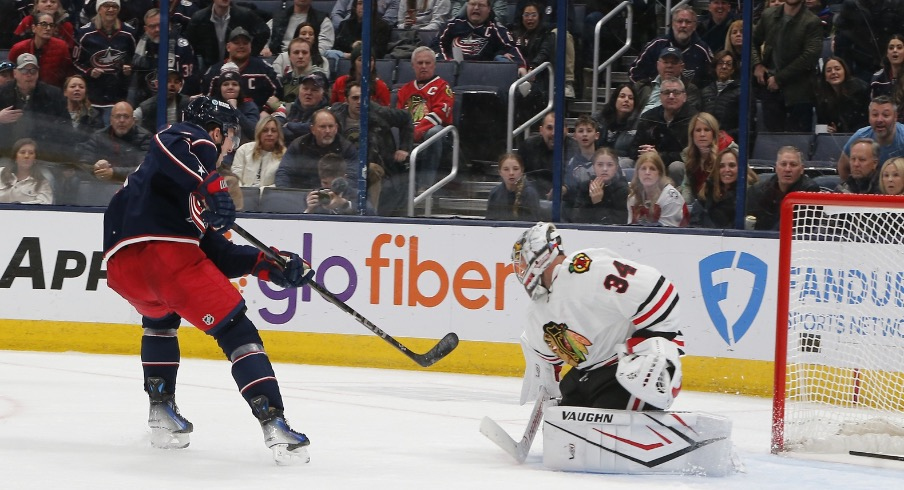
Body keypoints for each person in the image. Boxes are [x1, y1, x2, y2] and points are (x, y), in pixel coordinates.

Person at [102, 96, 314, 465]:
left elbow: (218, 254)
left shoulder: (169, 185)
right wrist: (213, 186)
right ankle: (275, 423)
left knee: (161, 320)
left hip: (124, 269)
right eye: (230, 137)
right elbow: (170, 141)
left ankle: (161, 412)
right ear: (216, 131)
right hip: (166, 258)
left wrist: (272, 265)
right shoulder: (191, 139)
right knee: (237, 333)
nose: (229, 147)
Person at [512, 221, 684, 411]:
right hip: (591, 373)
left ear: (540, 256)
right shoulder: (537, 313)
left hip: (627, 366)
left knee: (632, 383)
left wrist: (654, 346)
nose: (521, 271)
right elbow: (547, 366)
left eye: (523, 263)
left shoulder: (589, 269)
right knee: (564, 420)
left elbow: (660, 293)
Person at [331, 81, 413, 212]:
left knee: (372, 170)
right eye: (355, 98)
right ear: (346, 100)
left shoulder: (379, 113)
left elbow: (406, 118)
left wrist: (404, 148)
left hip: (374, 163)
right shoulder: (335, 115)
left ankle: (370, 213)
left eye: (363, 98)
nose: (359, 102)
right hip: (345, 163)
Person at [751, 0, 822, 132]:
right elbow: (752, 41)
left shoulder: (812, 22)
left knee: (798, 143)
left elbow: (810, 56)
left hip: (800, 92)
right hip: (770, 91)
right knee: (772, 142)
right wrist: (757, 64)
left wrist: (779, 78)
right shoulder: (768, 15)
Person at [396, 46, 455, 192]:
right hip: (410, 134)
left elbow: (440, 114)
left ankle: (425, 186)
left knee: (433, 133)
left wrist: (416, 131)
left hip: (437, 135)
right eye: (420, 63)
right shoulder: (404, 90)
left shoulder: (443, 86)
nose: (423, 66)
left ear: (434, 65)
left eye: (427, 63)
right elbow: (397, 116)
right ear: (413, 66)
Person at [72, 0, 137, 124]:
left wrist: (130, 68)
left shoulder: (129, 33)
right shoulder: (84, 33)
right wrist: (89, 71)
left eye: (114, 6)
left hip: (118, 97)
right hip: (91, 97)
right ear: (99, 9)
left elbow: (137, 60)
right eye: (106, 6)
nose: (111, 9)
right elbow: (74, 62)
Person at [0, 53, 69, 159]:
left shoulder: (53, 94)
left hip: (43, 156)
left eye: (33, 71)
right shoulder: (2, 93)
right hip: (6, 154)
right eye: (24, 70)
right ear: (15, 73)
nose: (29, 75)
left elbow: (66, 127)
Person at [629, 5, 713, 89]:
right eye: (680, 21)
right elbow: (634, 72)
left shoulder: (703, 50)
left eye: (688, 22)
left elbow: (712, 79)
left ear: (695, 26)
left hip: (690, 99)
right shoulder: (656, 45)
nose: (683, 25)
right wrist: (647, 93)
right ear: (672, 24)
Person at [201, 27, 282, 113]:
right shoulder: (214, 72)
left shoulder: (263, 68)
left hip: (258, 119)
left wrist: (266, 110)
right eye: (236, 43)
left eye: (245, 43)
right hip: (222, 117)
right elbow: (205, 99)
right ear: (228, 47)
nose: (241, 46)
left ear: (250, 46)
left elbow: (278, 92)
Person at [276, 109, 358, 190]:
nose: (327, 131)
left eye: (331, 126)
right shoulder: (299, 145)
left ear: (336, 128)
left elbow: (353, 178)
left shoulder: (347, 148)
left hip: (335, 196)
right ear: (313, 129)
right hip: (301, 195)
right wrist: (285, 194)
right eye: (322, 127)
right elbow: (284, 172)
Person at [129, 8, 198, 104]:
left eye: (160, 25)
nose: (157, 30)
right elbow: (137, 82)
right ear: (146, 29)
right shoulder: (141, 47)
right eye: (152, 26)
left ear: (168, 25)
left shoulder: (182, 46)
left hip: (176, 101)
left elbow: (188, 82)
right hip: (148, 102)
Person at [631, 77, 698, 174]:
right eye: (666, 93)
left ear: (684, 97)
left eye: (676, 92)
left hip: (678, 166)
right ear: (660, 96)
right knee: (626, 163)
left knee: (676, 166)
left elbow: (692, 153)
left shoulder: (694, 119)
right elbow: (633, 148)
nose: (671, 96)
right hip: (649, 163)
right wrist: (645, 153)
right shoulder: (648, 116)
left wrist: (660, 156)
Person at [746, 145, 820, 230]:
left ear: (802, 169)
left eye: (793, 164)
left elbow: (802, 228)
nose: (787, 169)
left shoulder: (809, 190)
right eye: (783, 164)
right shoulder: (758, 190)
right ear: (776, 167)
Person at [76, 100, 152, 182]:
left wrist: (114, 172)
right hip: (102, 186)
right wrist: (95, 168)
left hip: (131, 186)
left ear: (133, 120)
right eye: (117, 116)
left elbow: (145, 168)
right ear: (111, 120)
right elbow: (83, 165)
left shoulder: (145, 137)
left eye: (126, 116)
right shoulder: (99, 136)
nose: (122, 120)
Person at [437, 0, 524, 68]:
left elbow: (513, 48)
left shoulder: (497, 29)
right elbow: (436, 45)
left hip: (484, 75)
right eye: (472, 4)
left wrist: (521, 66)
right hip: (454, 74)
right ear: (467, 6)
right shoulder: (452, 25)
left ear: (489, 9)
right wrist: (447, 61)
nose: (476, 8)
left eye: (481, 5)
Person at [186, 0, 270, 70]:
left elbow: (264, 31)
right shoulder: (199, 18)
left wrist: (250, 55)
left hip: (239, 68)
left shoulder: (244, 14)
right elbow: (191, 44)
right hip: (209, 68)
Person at [834, 0, 904, 84]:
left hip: (894, 61)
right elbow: (842, 32)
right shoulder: (851, 5)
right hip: (863, 63)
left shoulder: (896, 4)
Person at [837, 96, 904, 180]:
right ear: (869, 117)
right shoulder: (860, 137)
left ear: (895, 117)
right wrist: (851, 189)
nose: (879, 119)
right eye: (875, 115)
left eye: (885, 115)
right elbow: (843, 166)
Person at [689, 147, 758, 228]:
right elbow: (694, 224)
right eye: (722, 166)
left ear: (742, 168)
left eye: (732, 165)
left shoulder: (751, 195)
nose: (727, 170)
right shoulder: (707, 191)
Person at [677, 112, 737, 204]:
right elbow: (687, 185)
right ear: (692, 135)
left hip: (727, 202)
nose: (702, 134)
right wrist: (685, 208)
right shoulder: (689, 154)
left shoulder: (729, 149)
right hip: (701, 204)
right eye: (698, 130)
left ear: (714, 133)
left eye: (706, 130)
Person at [518, 111, 579, 199]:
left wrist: (565, 189)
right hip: (533, 200)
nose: (554, 133)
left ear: (567, 130)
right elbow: (519, 176)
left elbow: (579, 182)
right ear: (541, 130)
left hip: (565, 203)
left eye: (558, 128)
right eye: (549, 128)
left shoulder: (576, 149)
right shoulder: (528, 146)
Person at [8, 10, 72, 88]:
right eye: (43, 24)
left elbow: (68, 72)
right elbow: (10, 74)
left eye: (51, 25)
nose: (48, 28)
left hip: (52, 92)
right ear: (33, 28)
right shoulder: (18, 48)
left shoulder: (62, 47)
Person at [633, 46, 702, 115]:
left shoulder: (690, 89)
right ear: (658, 65)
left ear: (682, 67)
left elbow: (689, 117)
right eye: (665, 62)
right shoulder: (642, 86)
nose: (669, 66)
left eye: (674, 63)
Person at [569, 147, 629, 225]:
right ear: (594, 167)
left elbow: (618, 222)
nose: (604, 169)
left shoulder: (622, 190)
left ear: (616, 168)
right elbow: (577, 220)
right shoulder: (585, 187)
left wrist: (598, 203)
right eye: (600, 165)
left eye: (610, 165)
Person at [627, 151, 689, 227]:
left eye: (652, 169)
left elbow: (669, 233)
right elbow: (630, 230)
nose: (647, 172)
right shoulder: (633, 196)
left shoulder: (670, 197)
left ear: (659, 173)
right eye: (643, 168)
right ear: (637, 173)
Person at [262, 0, 333, 62]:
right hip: (279, 58)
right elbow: (264, 35)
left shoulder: (322, 20)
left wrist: (307, 55)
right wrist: (265, 48)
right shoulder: (278, 18)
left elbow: (324, 45)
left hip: (308, 59)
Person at [814, 56, 869, 134]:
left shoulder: (860, 90)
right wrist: (829, 130)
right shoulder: (822, 97)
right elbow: (823, 123)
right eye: (829, 70)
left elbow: (864, 121)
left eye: (837, 69)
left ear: (845, 72)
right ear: (825, 77)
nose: (833, 72)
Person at [211, 63, 260, 146]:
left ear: (240, 88)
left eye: (234, 84)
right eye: (225, 84)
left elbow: (253, 133)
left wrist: (234, 110)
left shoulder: (249, 106)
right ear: (220, 88)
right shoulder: (212, 106)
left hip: (244, 150)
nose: (230, 87)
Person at [328, 0, 392, 62]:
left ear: (373, 6)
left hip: (370, 63)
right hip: (346, 61)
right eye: (360, 3)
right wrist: (352, 45)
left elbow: (379, 52)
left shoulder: (382, 26)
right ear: (355, 6)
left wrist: (359, 49)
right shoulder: (345, 25)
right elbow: (337, 47)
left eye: (367, 4)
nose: (363, 6)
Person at [232, 115, 286, 188]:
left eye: (273, 131)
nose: (269, 134)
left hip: (270, 196)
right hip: (244, 194)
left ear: (278, 134)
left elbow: (282, 182)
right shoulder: (244, 149)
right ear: (259, 133)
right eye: (265, 130)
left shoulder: (285, 154)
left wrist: (263, 192)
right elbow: (235, 177)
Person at [485, 152, 541, 221]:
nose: (511, 173)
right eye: (506, 169)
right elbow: (489, 222)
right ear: (500, 172)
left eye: (515, 169)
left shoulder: (530, 193)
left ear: (522, 170)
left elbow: (532, 224)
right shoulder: (495, 193)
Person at [591, 83, 638, 165]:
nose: (626, 100)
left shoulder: (637, 124)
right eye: (622, 96)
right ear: (614, 99)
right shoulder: (598, 119)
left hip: (622, 164)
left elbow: (634, 153)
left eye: (631, 98)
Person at [701, 50, 741, 140]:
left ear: (733, 69)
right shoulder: (705, 91)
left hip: (731, 142)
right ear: (715, 67)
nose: (724, 67)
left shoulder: (741, 91)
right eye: (720, 63)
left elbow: (746, 125)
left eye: (728, 64)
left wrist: (725, 135)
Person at [0, 137, 53, 204]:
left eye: (31, 153)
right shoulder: (0, 173)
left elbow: (45, 207)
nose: (26, 156)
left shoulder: (42, 183)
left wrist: (19, 206)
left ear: (35, 159)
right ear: (15, 157)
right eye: (22, 152)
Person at [282, 71, 330, 143]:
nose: (308, 93)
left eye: (314, 90)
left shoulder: (328, 113)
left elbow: (316, 128)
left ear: (322, 94)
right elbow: (275, 123)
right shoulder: (287, 107)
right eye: (305, 88)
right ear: (299, 90)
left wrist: (289, 125)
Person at [277, 38, 329, 104]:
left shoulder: (319, 77)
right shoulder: (286, 79)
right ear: (289, 56)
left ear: (310, 56)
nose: (300, 56)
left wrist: (278, 105)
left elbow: (315, 106)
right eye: (296, 52)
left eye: (304, 52)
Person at [869, 34, 904, 122]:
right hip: (885, 126)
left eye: (899, 47)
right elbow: (874, 110)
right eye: (891, 48)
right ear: (887, 54)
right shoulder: (877, 80)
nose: (895, 50)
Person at [62, 74, 104, 138]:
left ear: (85, 93)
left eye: (81, 87)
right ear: (65, 92)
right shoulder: (58, 112)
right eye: (73, 86)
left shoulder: (93, 115)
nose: (77, 89)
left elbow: (97, 139)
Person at [331, 0, 399, 29]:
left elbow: (388, 22)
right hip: (347, 31)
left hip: (374, 33)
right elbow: (335, 14)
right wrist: (345, 27)